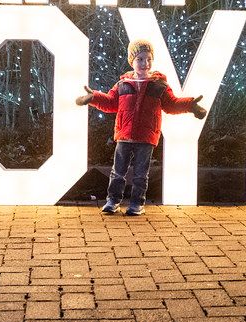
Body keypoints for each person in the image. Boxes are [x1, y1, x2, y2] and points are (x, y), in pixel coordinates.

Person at [76, 39, 206, 215]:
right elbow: (110, 102)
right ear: (132, 61)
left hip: (146, 137)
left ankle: (137, 204)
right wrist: (94, 98)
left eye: (148, 59)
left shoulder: (159, 85)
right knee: (118, 172)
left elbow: (171, 104)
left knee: (140, 174)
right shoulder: (122, 84)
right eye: (140, 59)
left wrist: (191, 105)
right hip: (124, 135)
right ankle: (113, 201)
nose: (145, 63)